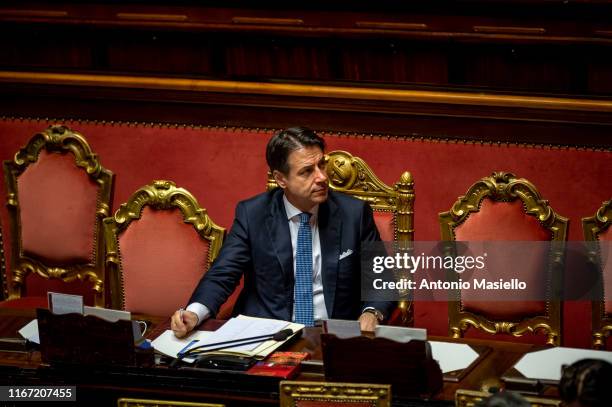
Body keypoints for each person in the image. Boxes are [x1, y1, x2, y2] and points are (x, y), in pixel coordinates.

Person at [171, 127, 392, 338]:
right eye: (307, 171)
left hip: (332, 336)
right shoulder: (252, 214)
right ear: (280, 179)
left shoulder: (354, 213)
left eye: (322, 165)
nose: (322, 177)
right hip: (267, 336)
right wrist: (194, 312)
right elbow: (223, 274)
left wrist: (372, 312)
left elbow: (384, 277)